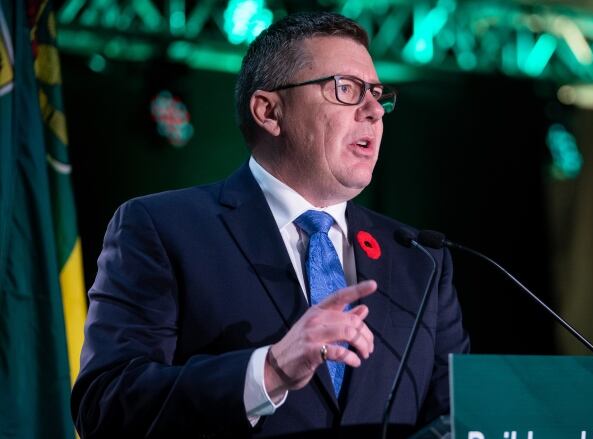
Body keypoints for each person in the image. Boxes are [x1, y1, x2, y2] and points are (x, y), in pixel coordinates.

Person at [71, 11, 469, 438]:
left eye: (377, 93)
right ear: (269, 111)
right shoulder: (162, 229)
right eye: (347, 89)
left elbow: (456, 417)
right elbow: (106, 406)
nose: (374, 111)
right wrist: (271, 370)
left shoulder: (420, 259)